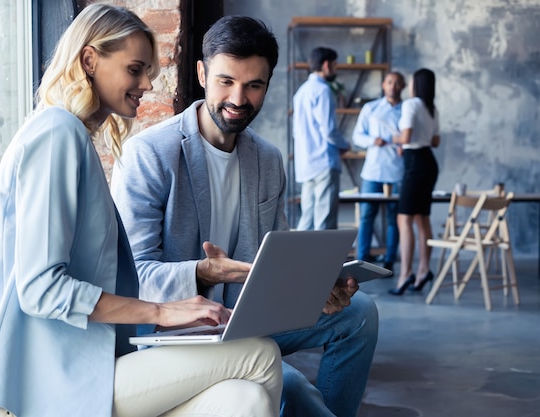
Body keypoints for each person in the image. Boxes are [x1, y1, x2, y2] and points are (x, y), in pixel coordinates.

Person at [0, 5, 283, 417]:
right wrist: (162, 310)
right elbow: (41, 288)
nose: (146, 83)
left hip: (93, 362)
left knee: (243, 400)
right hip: (48, 382)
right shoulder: (57, 133)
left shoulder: (72, 139)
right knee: (260, 354)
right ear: (90, 60)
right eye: (135, 68)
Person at [111, 16, 378, 417]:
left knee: (360, 313)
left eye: (254, 85)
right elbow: (134, 280)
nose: (239, 98)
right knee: (304, 400)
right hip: (179, 331)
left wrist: (313, 287)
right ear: (202, 73)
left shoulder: (268, 160)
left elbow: (274, 262)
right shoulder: (150, 154)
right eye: (226, 81)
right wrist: (204, 272)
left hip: (247, 319)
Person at [389, 68, 440, 295]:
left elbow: (406, 137)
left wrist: (395, 139)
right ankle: (423, 270)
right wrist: (410, 143)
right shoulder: (432, 108)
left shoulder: (411, 105)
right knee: (422, 219)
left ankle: (405, 274)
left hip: (415, 164)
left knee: (404, 219)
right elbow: (435, 141)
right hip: (429, 161)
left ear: (416, 85)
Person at [352, 72, 406, 273]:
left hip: (397, 171)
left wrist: (405, 144)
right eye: (390, 82)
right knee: (367, 216)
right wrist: (372, 141)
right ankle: (361, 260)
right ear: (384, 85)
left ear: (403, 86)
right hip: (373, 171)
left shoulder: (407, 110)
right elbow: (357, 135)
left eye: (397, 82)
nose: (393, 86)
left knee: (395, 218)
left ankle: (390, 260)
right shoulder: (371, 108)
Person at [292, 47, 351, 231]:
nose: (336, 69)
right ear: (326, 65)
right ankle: (324, 261)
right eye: (335, 65)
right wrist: (345, 145)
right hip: (324, 161)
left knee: (307, 221)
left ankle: (297, 260)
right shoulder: (323, 90)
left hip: (306, 163)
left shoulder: (301, 91)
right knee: (325, 221)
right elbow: (329, 131)